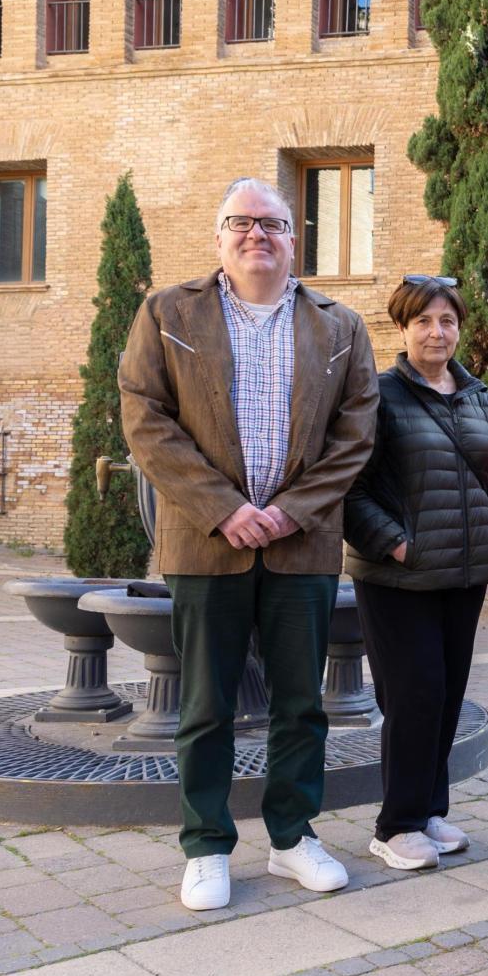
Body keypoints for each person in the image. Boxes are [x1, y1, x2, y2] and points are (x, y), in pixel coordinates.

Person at [119, 177, 378, 911]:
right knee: (206, 705)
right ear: (219, 236)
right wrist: (223, 507)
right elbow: (145, 418)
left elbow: (357, 431)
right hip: (207, 544)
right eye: (241, 221)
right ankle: (206, 847)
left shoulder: (339, 325)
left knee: (301, 703)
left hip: (303, 546)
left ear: (294, 238)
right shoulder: (168, 312)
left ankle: (293, 838)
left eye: (272, 223)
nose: (256, 233)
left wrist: (292, 511)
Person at [343, 274, 488, 871]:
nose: (436, 332)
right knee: (413, 696)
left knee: (445, 697)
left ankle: (429, 811)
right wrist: (395, 545)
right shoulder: (378, 395)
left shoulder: (478, 396)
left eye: (447, 321)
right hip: (398, 577)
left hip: (463, 573)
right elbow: (350, 487)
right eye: (423, 321)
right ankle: (395, 826)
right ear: (402, 328)